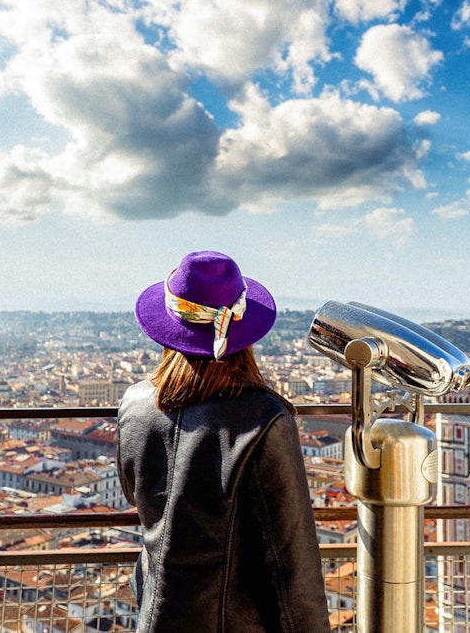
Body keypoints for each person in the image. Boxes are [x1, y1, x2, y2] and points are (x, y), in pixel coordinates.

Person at [118, 250, 330, 632]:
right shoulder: (264, 419)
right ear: (245, 333)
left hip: (156, 617)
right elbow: (292, 563)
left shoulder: (134, 405)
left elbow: (136, 495)